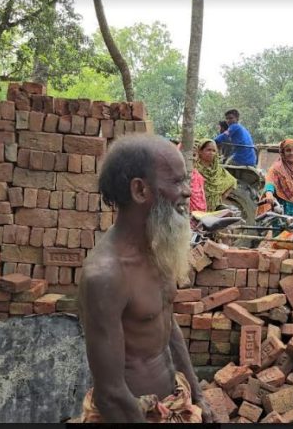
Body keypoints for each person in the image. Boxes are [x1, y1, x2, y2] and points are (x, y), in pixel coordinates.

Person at [76, 136, 211, 423]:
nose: (187, 192)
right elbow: (111, 393)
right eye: (176, 182)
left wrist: (197, 395)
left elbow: (166, 324)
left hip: (173, 403)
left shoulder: (156, 248)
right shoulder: (106, 274)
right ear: (140, 190)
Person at [263, 138, 293, 218]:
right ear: (282, 153)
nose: (291, 153)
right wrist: (269, 194)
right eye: (288, 150)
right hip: (284, 213)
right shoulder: (276, 168)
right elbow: (270, 182)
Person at [194, 138, 237, 211]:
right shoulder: (194, 168)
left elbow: (233, 181)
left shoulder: (218, 169)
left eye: (214, 151)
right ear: (200, 151)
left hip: (213, 210)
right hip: (196, 209)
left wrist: (224, 196)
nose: (211, 153)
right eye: (208, 150)